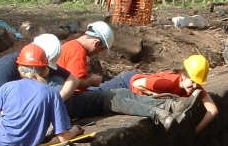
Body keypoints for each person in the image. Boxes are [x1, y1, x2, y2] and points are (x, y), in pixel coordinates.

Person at [56, 21, 202, 127]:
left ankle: (172, 105)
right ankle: (159, 113)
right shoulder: (77, 51)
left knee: (122, 92)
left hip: (68, 100)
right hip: (70, 102)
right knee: (112, 97)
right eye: (100, 50)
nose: (97, 53)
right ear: (95, 43)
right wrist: (91, 81)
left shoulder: (70, 46)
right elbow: (76, 84)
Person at [127, 55, 219, 135]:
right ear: (183, 75)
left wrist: (195, 131)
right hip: (126, 83)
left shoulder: (195, 86)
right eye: (193, 81)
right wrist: (159, 97)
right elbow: (136, 84)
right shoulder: (168, 83)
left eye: (198, 83)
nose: (195, 86)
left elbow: (212, 110)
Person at [0, 33, 78, 104]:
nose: (42, 69)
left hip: (26, 101)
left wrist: (58, 100)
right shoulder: (6, 67)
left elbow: (72, 80)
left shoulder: (41, 62)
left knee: (58, 80)